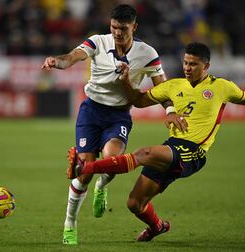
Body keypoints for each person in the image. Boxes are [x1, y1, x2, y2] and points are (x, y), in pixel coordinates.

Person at [67, 42, 245, 242]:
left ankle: (87, 168)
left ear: (206, 66)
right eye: (186, 63)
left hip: (194, 151)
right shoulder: (173, 86)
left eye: (194, 64)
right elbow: (139, 101)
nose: (188, 68)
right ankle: (157, 226)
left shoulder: (222, 87)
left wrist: (88, 167)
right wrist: (127, 80)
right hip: (172, 146)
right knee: (134, 204)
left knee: (144, 154)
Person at [41, 4, 184, 245]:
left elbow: (162, 87)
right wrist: (57, 61)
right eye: (114, 27)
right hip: (91, 112)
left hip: (118, 115)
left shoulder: (147, 53)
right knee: (84, 171)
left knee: (111, 163)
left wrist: (170, 111)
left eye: (123, 29)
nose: (117, 32)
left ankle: (102, 186)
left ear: (134, 27)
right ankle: (70, 225)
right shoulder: (98, 42)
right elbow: (71, 58)